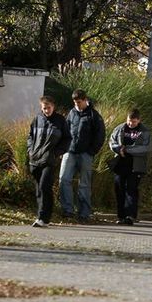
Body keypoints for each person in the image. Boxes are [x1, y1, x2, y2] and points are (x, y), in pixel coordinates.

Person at [59, 89, 106, 221]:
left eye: (79, 102)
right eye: (75, 102)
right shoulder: (71, 113)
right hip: (70, 151)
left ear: (85, 100)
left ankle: (84, 213)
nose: (77, 105)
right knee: (64, 179)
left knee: (84, 184)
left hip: (85, 154)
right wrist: (63, 148)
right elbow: (65, 130)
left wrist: (91, 151)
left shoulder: (94, 115)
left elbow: (100, 135)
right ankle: (67, 210)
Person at [27, 96, 72, 228]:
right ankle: (43, 217)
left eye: (49, 108)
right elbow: (30, 136)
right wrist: (30, 150)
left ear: (53, 106)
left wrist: (57, 153)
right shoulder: (37, 119)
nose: (47, 110)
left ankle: (43, 217)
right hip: (34, 159)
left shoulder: (60, 120)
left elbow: (67, 139)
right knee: (39, 190)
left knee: (44, 186)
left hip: (49, 160)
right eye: (44, 108)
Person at [108, 109, 151, 225]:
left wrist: (127, 149)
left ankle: (130, 215)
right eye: (129, 121)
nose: (131, 124)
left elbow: (144, 148)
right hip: (121, 163)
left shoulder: (144, 131)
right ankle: (121, 215)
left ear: (139, 120)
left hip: (135, 164)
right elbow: (112, 141)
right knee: (119, 189)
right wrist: (118, 149)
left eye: (134, 122)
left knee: (131, 190)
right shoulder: (120, 128)